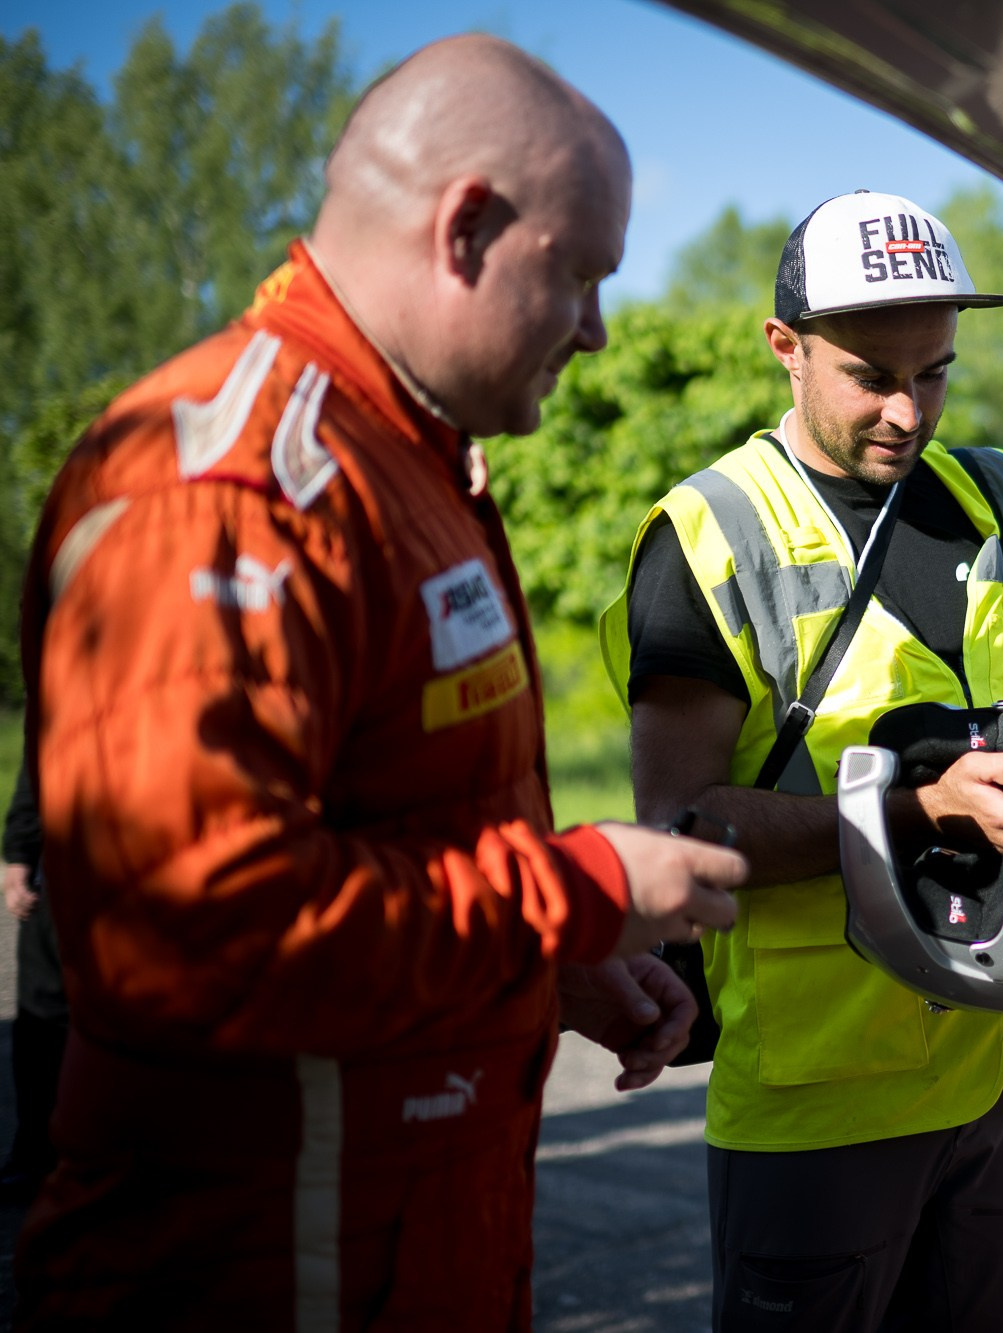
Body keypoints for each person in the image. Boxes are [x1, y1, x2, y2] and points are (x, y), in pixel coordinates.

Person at [15, 35, 746, 1329]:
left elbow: (388, 839)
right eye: (578, 275)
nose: (597, 330)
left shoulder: (403, 458)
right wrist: (573, 896)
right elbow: (195, 943)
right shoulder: (230, 490)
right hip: (250, 1271)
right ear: (465, 228)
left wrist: (544, 971)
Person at [599, 189, 1003, 1330]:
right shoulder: (707, 533)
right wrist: (916, 808)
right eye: (870, 374)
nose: (906, 408)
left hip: (992, 1069)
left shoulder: (1002, 497)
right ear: (784, 348)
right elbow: (677, 827)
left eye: (932, 371)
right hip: (815, 1098)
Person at [1, 756, 63, 1206]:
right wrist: (21, 850)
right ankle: (35, 1155)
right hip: (66, 859)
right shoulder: (59, 684)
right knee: (41, 1015)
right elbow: (40, 754)